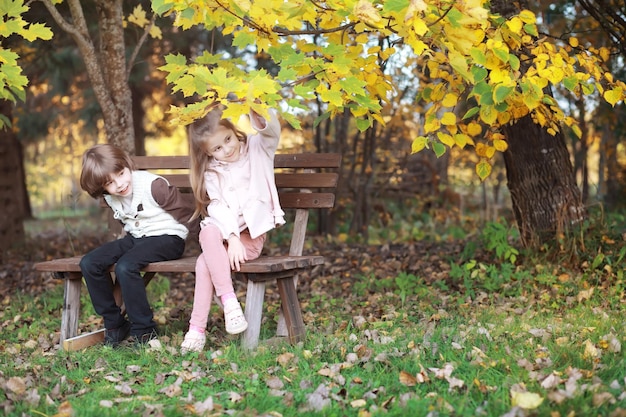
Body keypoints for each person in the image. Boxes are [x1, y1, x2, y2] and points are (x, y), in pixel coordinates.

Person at [180, 104, 285, 354]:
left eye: (227, 139)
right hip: (226, 238)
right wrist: (231, 237)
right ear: (207, 152)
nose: (226, 149)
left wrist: (254, 104)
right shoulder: (212, 172)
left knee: (205, 263)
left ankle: (197, 329)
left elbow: (272, 131)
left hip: (251, 238)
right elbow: (217, 208)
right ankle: (230, 304)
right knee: (207, 231)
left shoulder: (258, 150)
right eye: (217, 148)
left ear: (233, 130)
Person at [79, 144, 197, 347]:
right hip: (138, 238)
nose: (119, 184)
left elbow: (188, 215)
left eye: (121, 173)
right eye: (109, 182)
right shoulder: (111, 197)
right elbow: (130, 222)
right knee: (89, 262)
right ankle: (115, 324)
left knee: (126, 266)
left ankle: (144, 330)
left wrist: (212, 245)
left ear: (126, 165)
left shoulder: (154, 186)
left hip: (168, 238)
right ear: (102, 187)